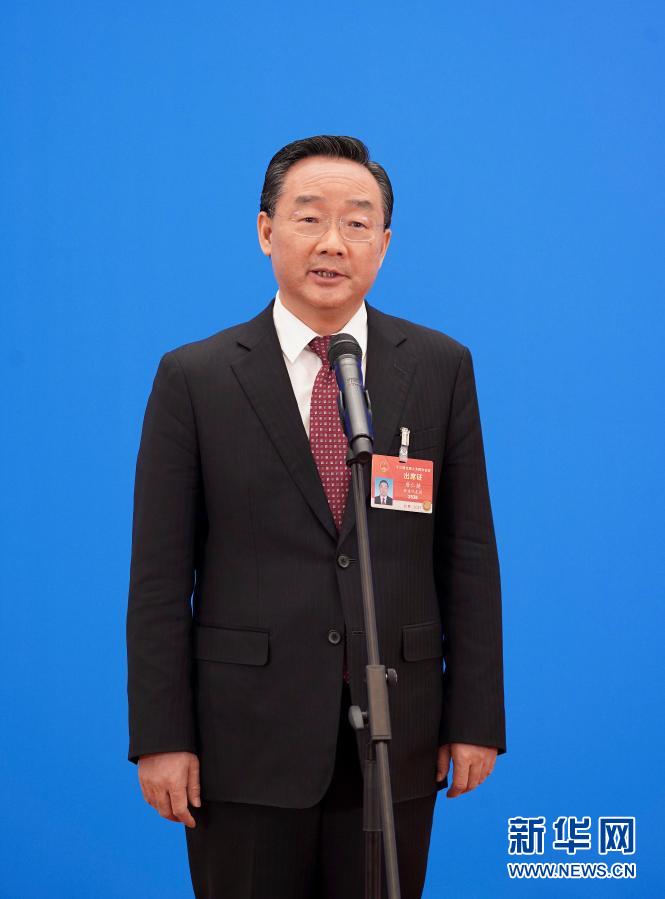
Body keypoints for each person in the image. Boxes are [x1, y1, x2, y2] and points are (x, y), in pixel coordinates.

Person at [126, 135, 506, 899]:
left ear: (384, 243)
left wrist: (475, 716)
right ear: (266, 231)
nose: (333, 242)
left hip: (397, 734)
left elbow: (466, 555)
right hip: (243, 740)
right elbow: (160, 578)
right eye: (309, 218)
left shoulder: (438, 367)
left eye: (357, 222)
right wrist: (161, 737)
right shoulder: (196, 377)